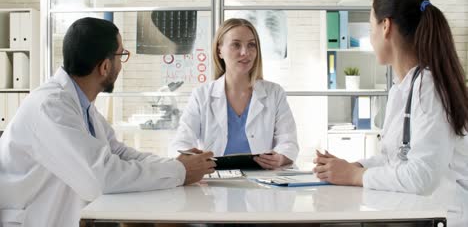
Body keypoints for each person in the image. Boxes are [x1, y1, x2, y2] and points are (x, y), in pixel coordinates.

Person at [0, 17, 216, 227]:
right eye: (121, 55)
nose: (121, 64)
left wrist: (174, 165)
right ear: (105, 66)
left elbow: (119, 152)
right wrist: (179, 171)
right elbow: (100, 178)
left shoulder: (78, 104)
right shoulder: (51, 106)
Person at [313, 0, 468, 226]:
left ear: (385, 26)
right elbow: (393, 158)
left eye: (369, 27)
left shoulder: (427, 88)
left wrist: (355, 175)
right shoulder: (403, 86)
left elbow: (422, 177)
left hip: (447, 216)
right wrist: (350, 167)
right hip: (418, 212)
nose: (370, 37)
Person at [169, 18, 299, 169]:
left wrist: (281, 157)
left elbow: (288, 140)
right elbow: (181, 141)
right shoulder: (201, 95)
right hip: (214, 179)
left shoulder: (274, 93)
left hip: (263, 178)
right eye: (236, 45)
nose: (245, 52)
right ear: (220, 51)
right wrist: (189, 159)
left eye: (251, 45)